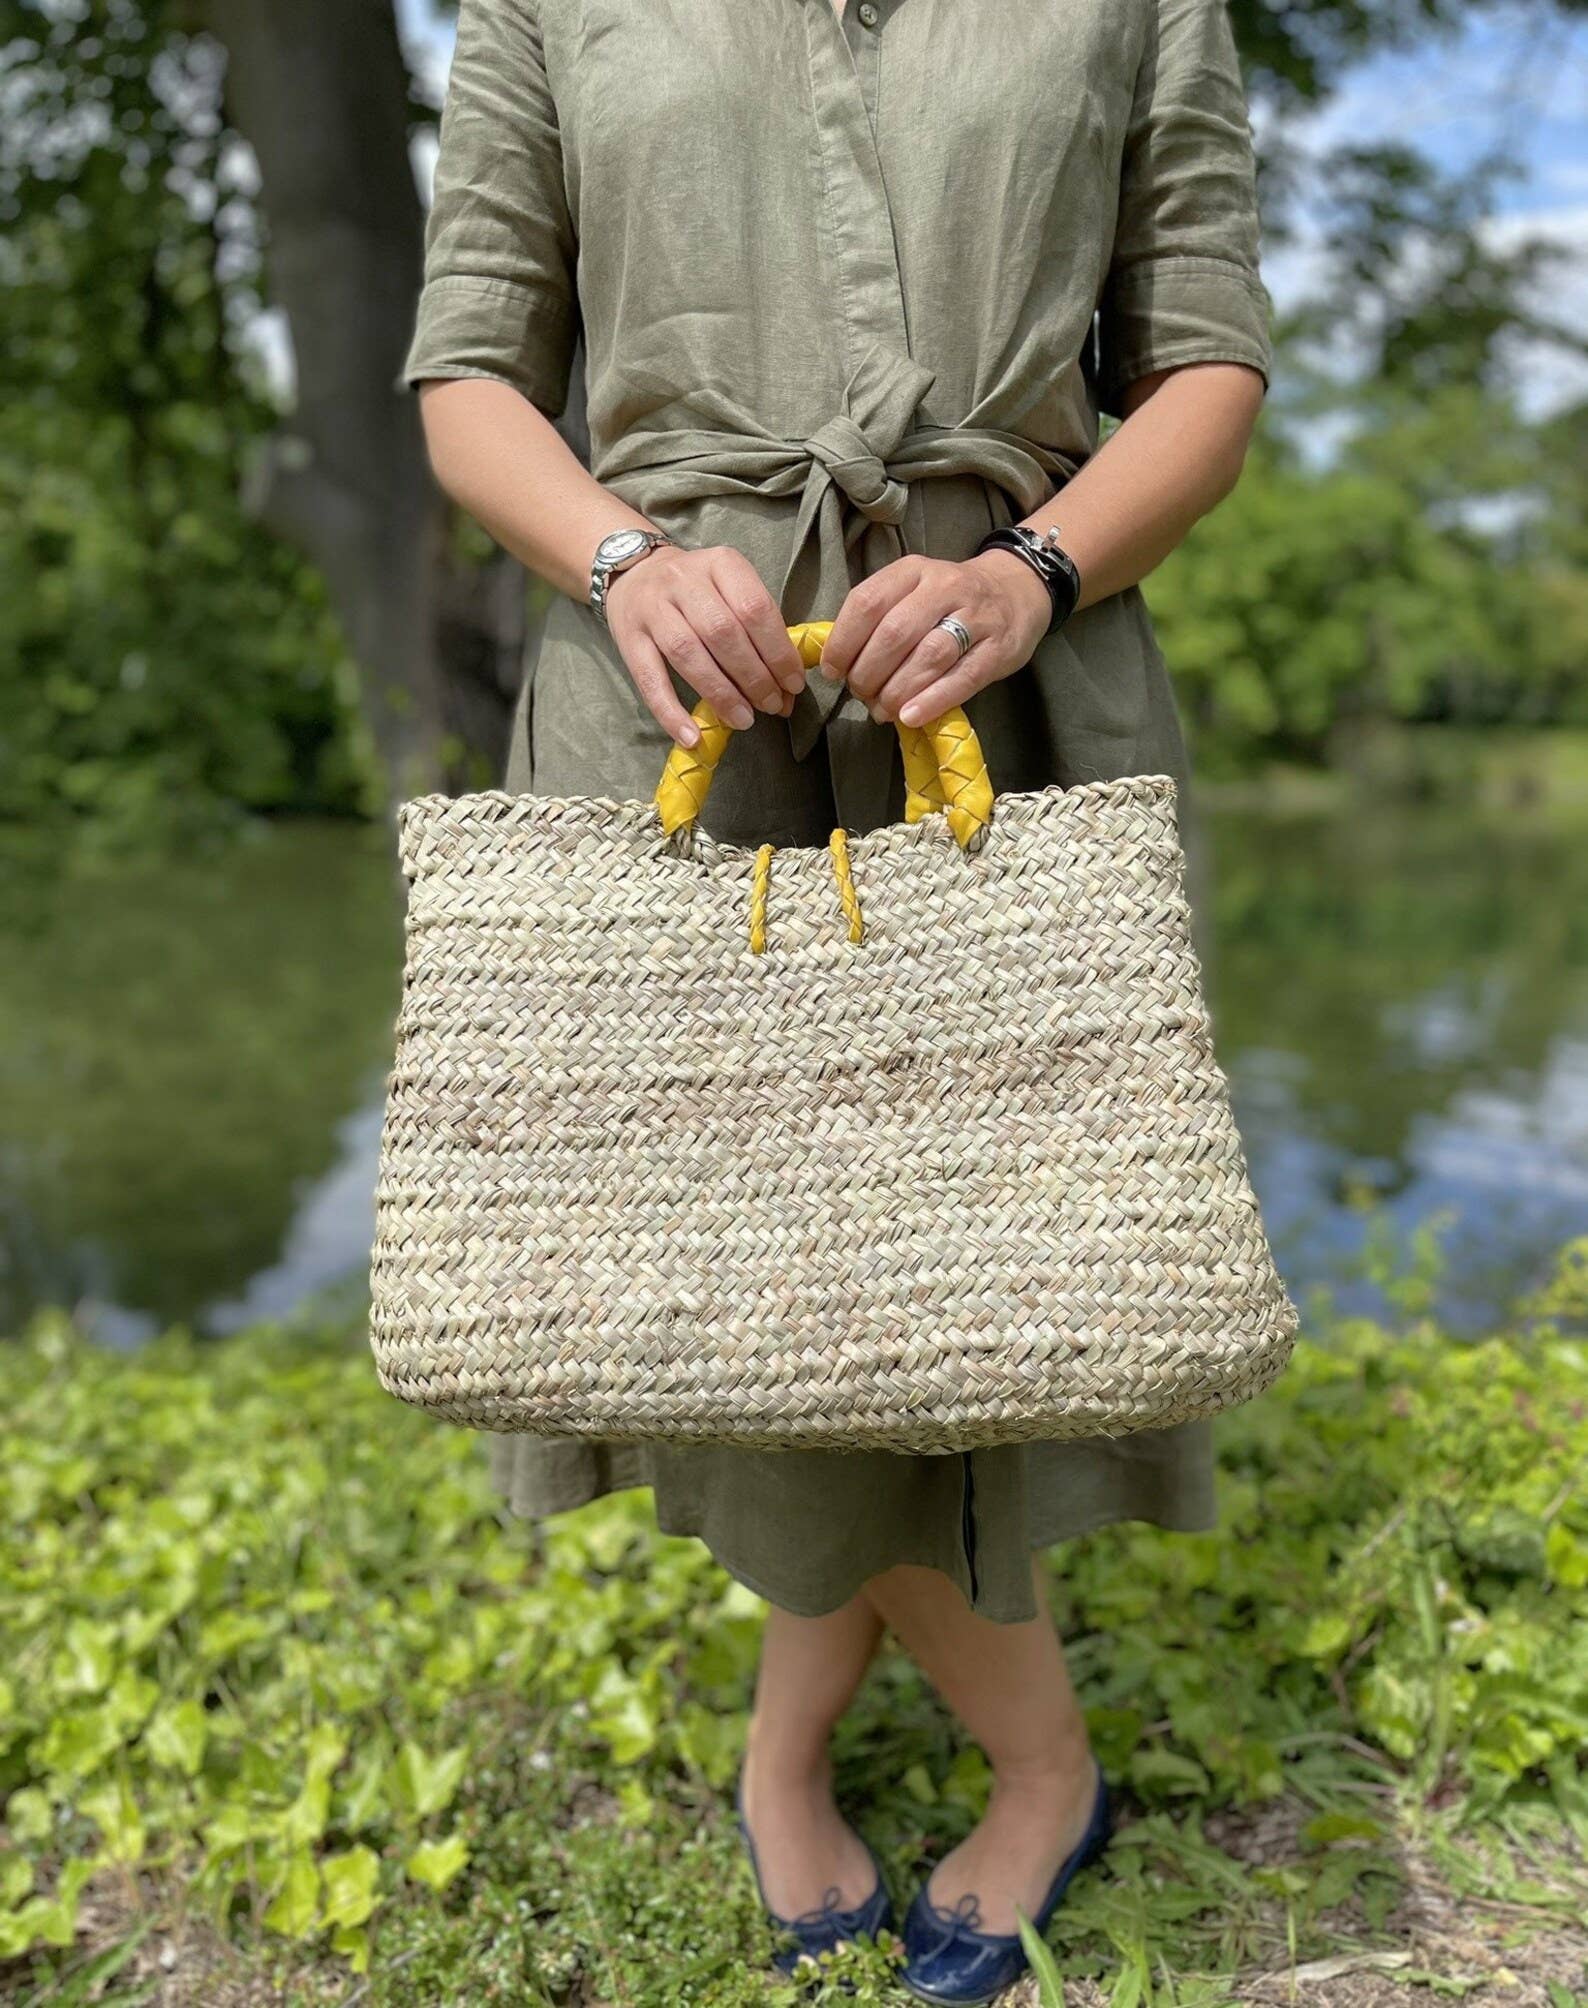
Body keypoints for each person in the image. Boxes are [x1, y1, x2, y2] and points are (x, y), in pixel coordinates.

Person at [401, 0, 1272, 1996]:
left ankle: (825, 1755)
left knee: (970, 1276)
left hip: (1009, 678)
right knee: (749, 1285)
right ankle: (1031, 1762)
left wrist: (1030, 570)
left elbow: (1205, 366)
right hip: (667, 697)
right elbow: (468, 375)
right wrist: (623, 557)